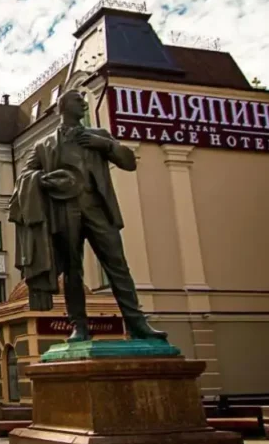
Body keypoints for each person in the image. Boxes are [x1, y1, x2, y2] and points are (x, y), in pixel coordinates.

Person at [10, 89, 167, 343]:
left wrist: (105, 145)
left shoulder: (99, 136)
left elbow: (129, 162)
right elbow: (24, 178)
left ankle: (137, 323)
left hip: (97, 209)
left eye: (84, 100)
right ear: (62, 107)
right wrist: (46, 179)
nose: (83, 103)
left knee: (117, 265)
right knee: (73, 270)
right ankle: (79, 326)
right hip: (65, 211)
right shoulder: (44, 145)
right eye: (77, 100)